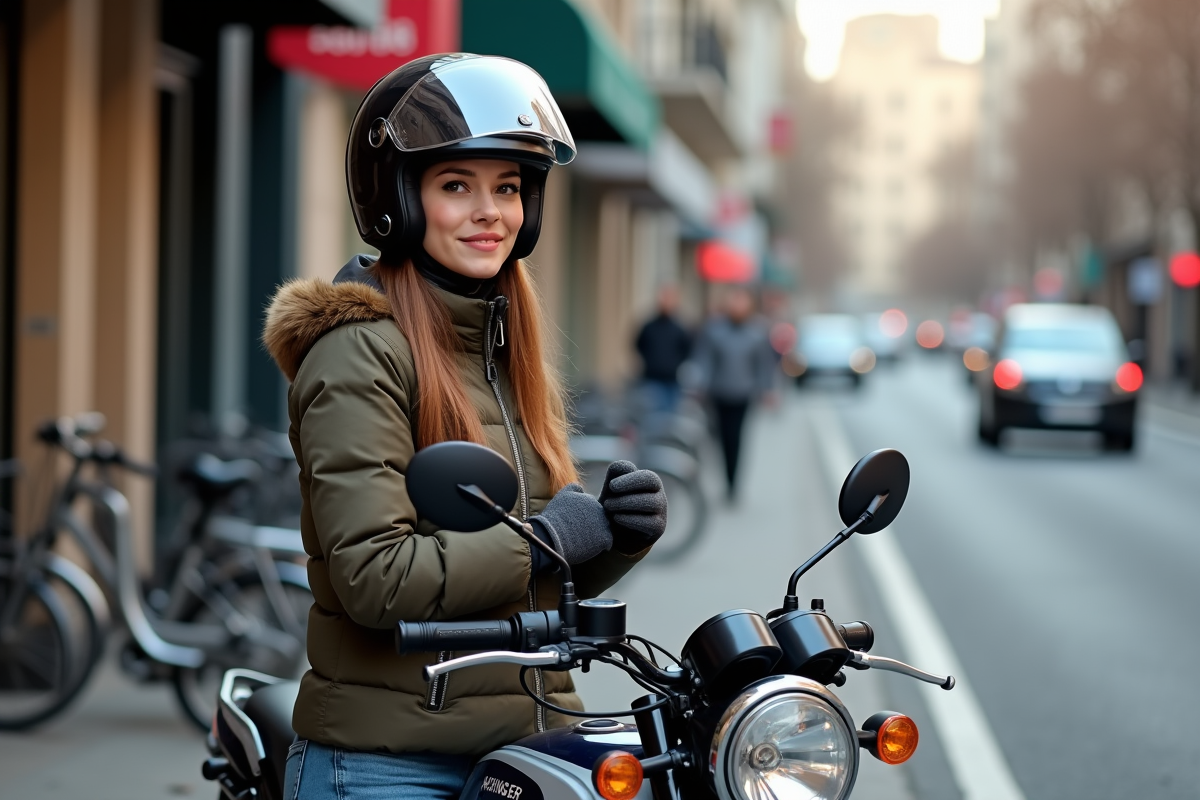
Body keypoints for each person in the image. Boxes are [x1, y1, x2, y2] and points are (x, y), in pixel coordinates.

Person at [262, 54, 668, 799]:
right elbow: (374, 580)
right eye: (457, 186)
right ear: (400, 200)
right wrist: (546, 542)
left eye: (508, 188)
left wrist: (611, 537)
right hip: (391, 762)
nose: (492, 213)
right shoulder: (359, 351)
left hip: (525, 744)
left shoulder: (500, 344)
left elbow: (524, 581)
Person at [692, 286, 778, 500]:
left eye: (742, 301)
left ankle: (733, 484)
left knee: (737, 438)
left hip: (743, 393)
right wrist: (700, 384)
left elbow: (764, 365)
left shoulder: (757, 332)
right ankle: (725, 475)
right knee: (720, 438)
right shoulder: (714, 330)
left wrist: (767, 389)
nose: (738, 306)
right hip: (719, 393)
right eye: (734, 301)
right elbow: (704, 360)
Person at [634, 285, 692, 414]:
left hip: (671, 381)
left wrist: (675, 364)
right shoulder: (649, 327)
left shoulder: (680, 328)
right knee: (652, 416)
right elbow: (638, 345)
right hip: (651, 379)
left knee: (670, 418)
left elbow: (687, 350)